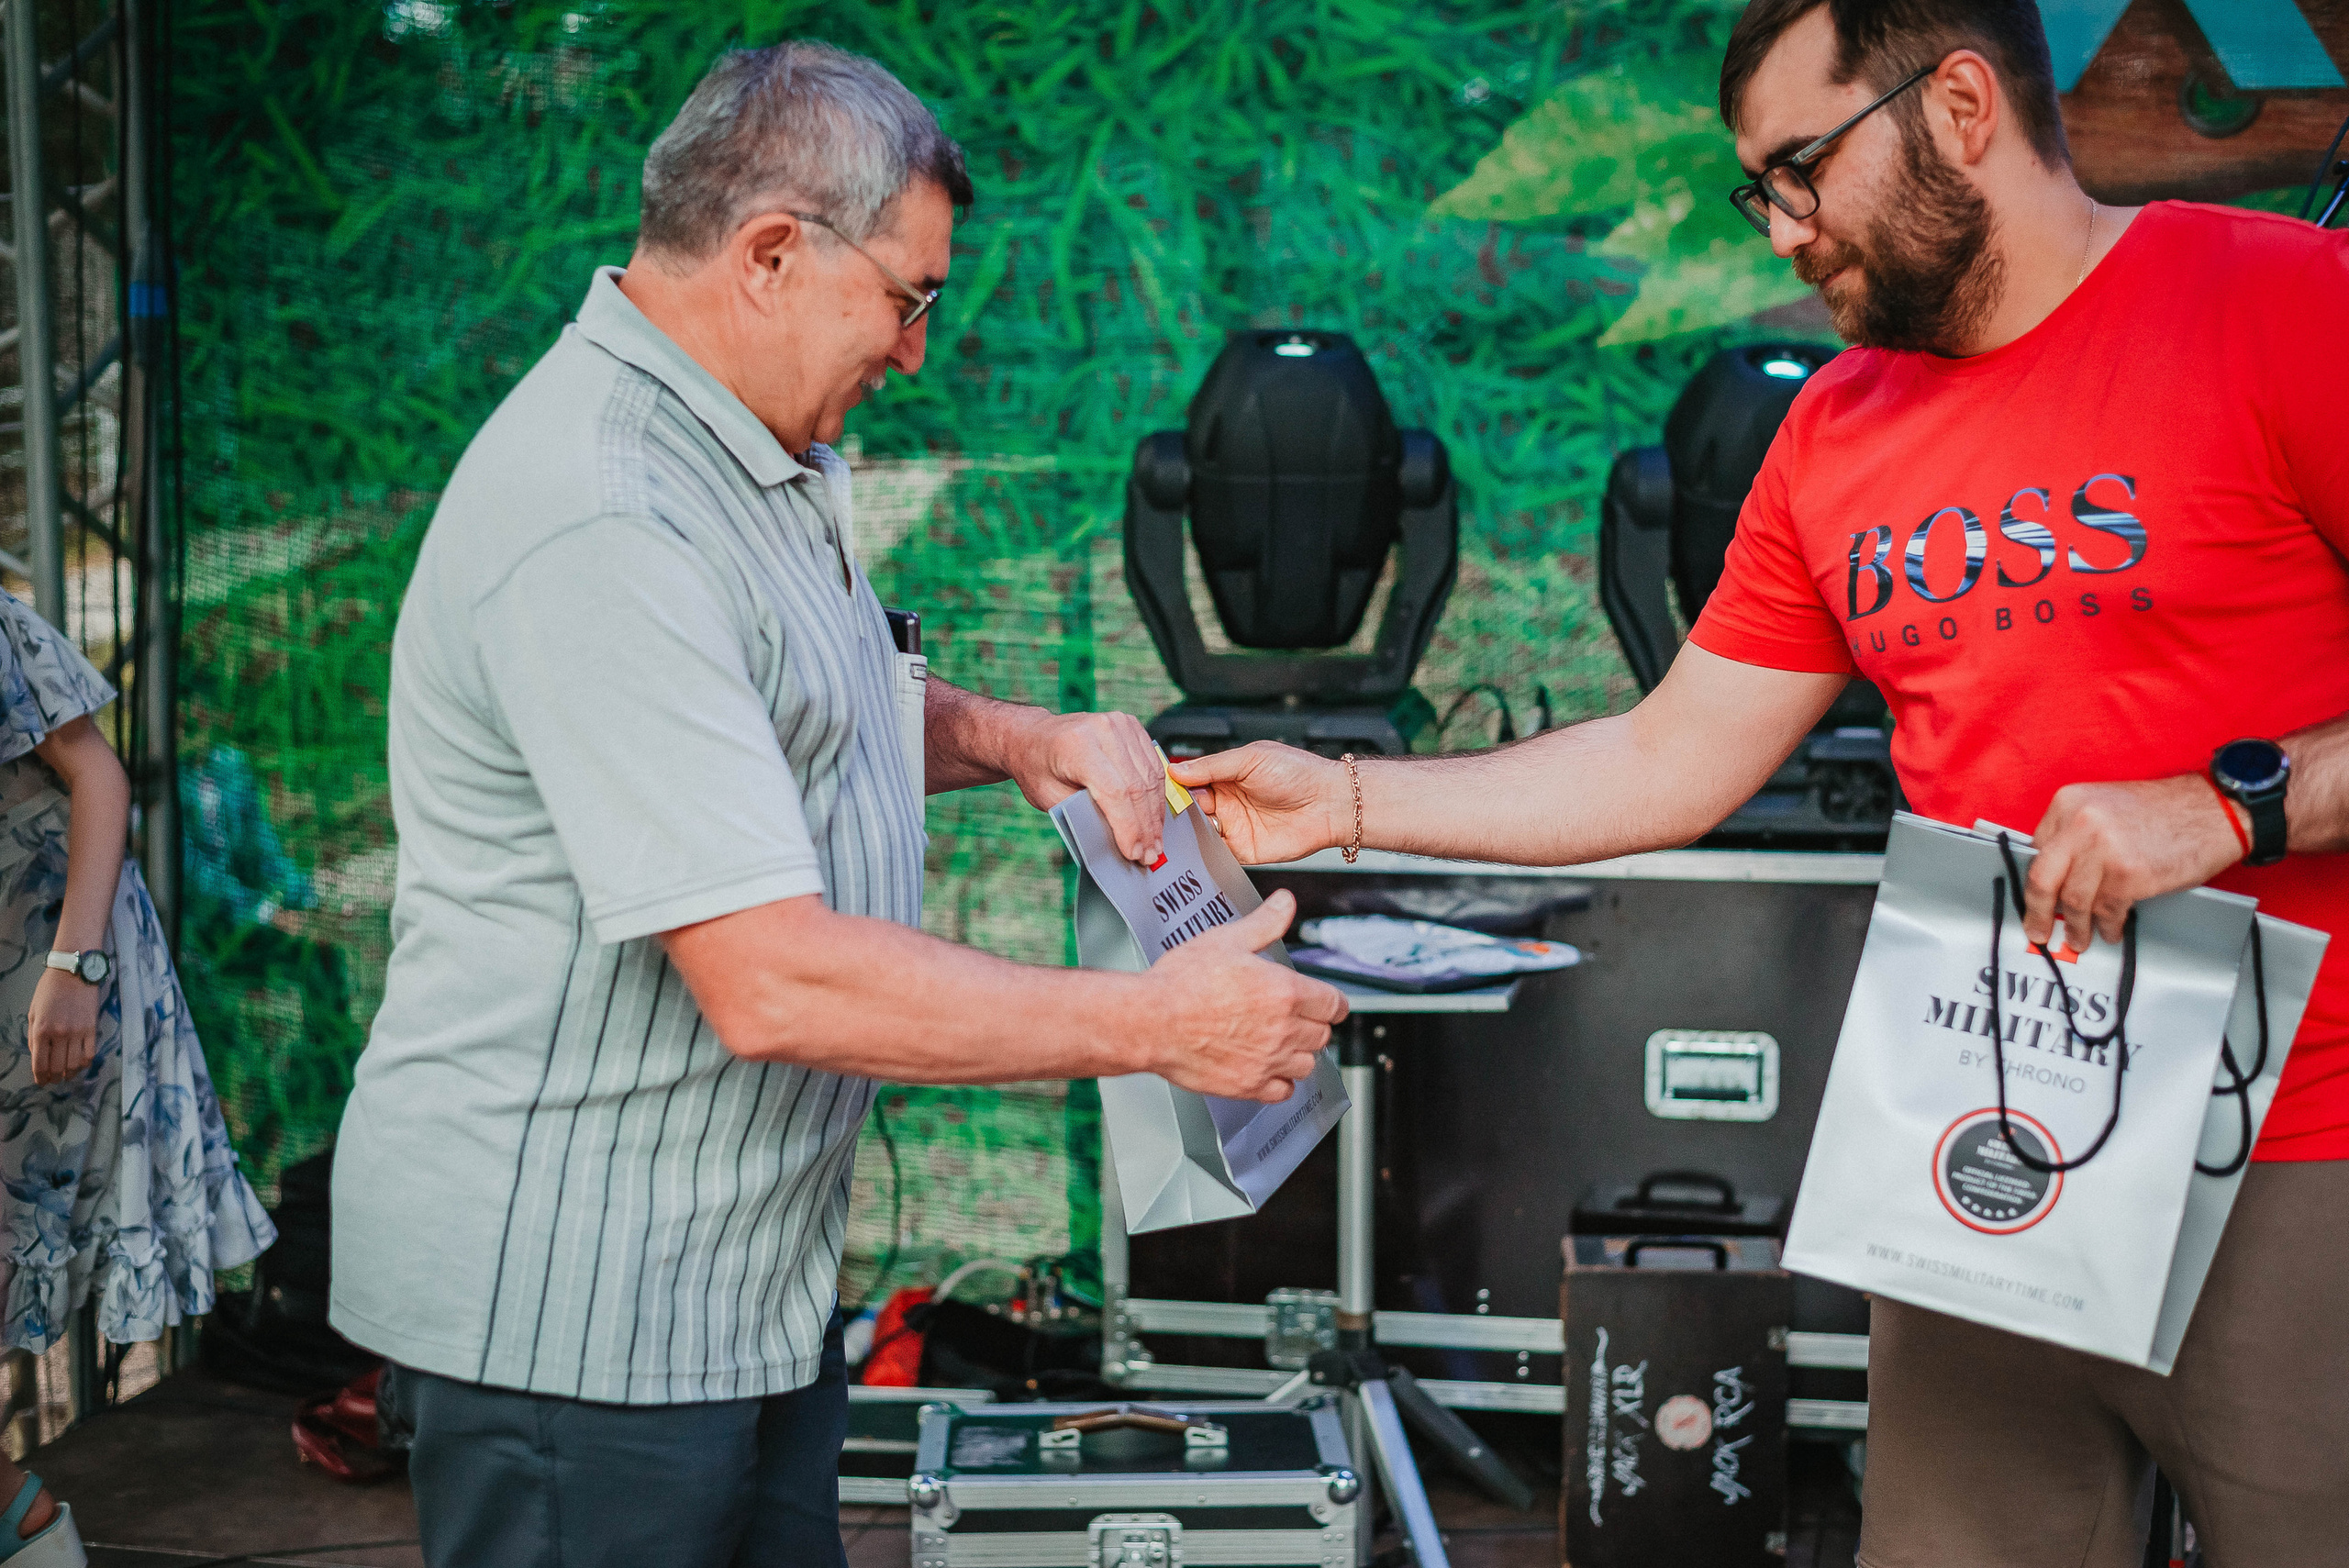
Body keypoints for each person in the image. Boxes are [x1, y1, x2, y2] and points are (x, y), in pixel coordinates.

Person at [1174, 3, 2349, 1564]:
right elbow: (1671, 754)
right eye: (1757, 190)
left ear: (1961, 101)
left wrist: (2232, 806)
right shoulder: (1834, 434)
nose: (1785, 229)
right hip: (1984, 1137)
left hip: (2298, 1144)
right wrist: (1340, 800)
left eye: (1800, 168)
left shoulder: (2278, 303)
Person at [328, 39, 1344, 1568]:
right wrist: (1157, 1022)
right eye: (909, 296)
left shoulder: (755, 453)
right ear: (773, 254)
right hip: (583, 1323)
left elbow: (801, 710)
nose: (918, 348)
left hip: (738, 1288)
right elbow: (771, 974)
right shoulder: (607, 518)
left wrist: (1014, 736)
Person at [0, 593, 275, 1567]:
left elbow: (97, 774)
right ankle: (22, 1521)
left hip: (45, 994)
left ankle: (23, 1523)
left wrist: (76, 969)